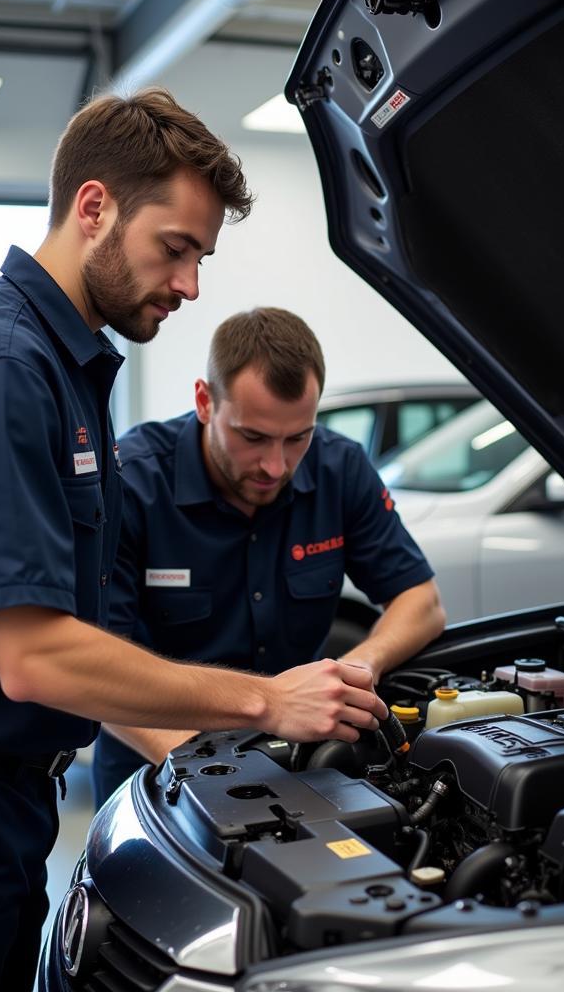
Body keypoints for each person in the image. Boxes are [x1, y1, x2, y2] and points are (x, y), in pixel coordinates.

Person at [0, 90, 386, 991]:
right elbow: (36, 657)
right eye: (177, 248)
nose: (191, 285)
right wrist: (264, 702)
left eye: (201, 256)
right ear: (95, 207)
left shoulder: (59, 367)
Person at [93, 307, 446, 807]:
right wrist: (202, 767)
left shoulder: (339, 468)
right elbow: (100, 670)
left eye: (297, 437)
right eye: (253, 437)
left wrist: (358, 668)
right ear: (204, 402)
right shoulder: (133, 483)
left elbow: (422, 601)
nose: (275, 466)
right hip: (158, 773)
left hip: (303, 767)